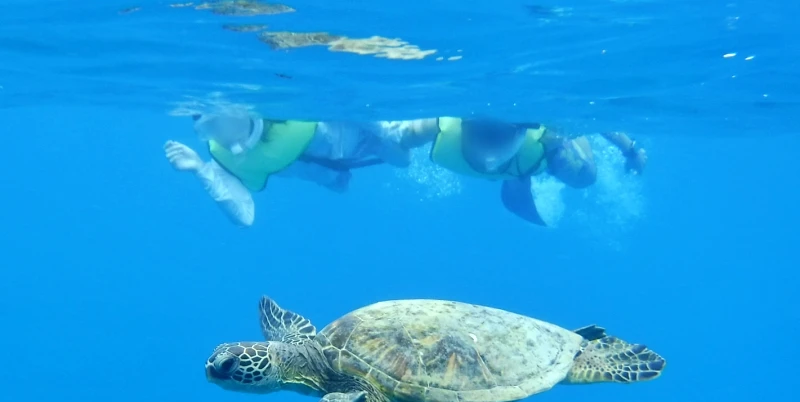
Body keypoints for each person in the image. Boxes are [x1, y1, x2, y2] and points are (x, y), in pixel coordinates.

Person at [164, 112, 412, 226]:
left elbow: (339, 100)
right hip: (332, 176)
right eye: (205, 131)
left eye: (214, 124)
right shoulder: (222, 158)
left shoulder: (274, 102)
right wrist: (200, 170)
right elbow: (245, 217)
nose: (218, 138)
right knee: (340, 185)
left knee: (403, 144)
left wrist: (387, 132)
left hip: (359, 137)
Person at [391, 117, 647, 225]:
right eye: (481, 129)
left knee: (584, 177)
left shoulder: (548, 135)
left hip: (542, 149)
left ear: (524, 130)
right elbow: (394, 139)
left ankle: (527, 168)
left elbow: (593, 117)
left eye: (502, 132)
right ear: (464, 123)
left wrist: (631, 150)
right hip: (524, 158)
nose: (490, 141)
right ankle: (517, 174)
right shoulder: (429, 128)